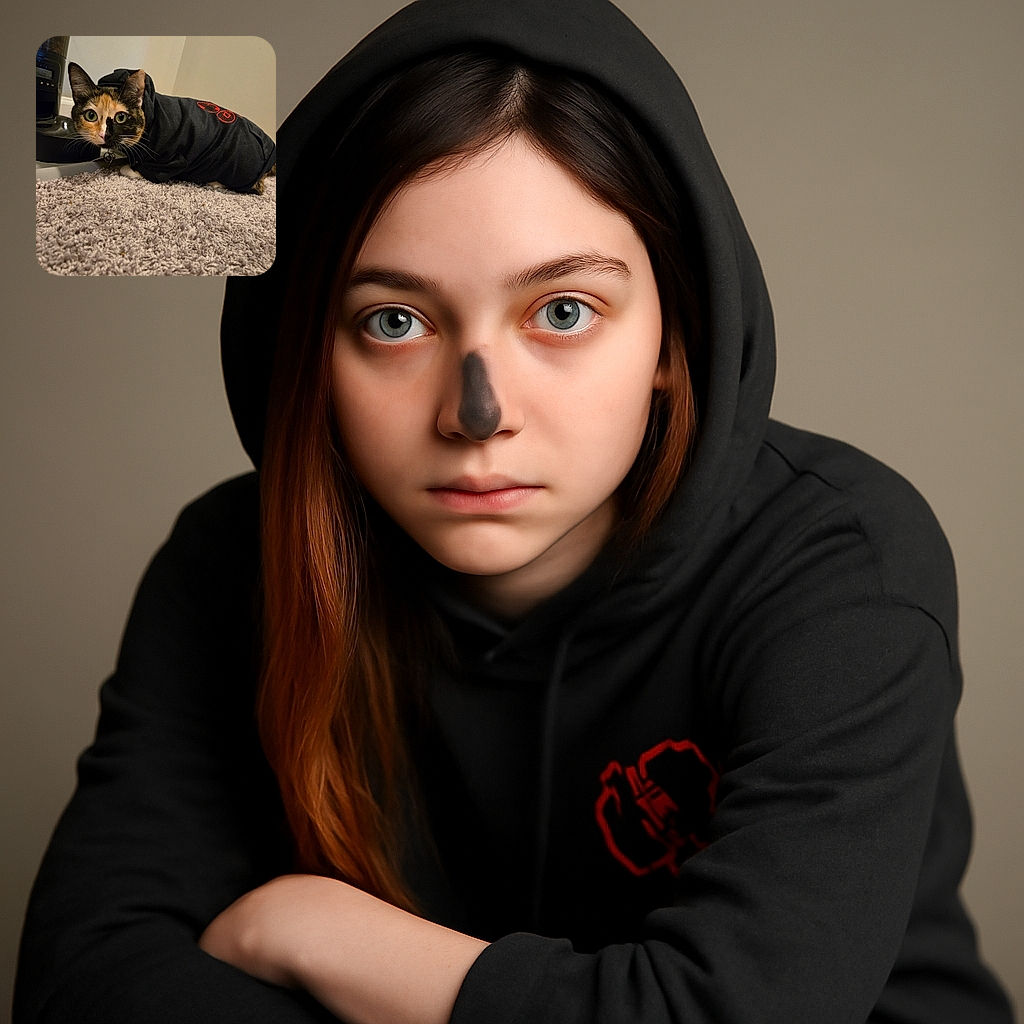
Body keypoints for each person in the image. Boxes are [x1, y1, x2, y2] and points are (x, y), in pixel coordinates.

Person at [14, 1, 1015, 1022]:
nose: (477, 414)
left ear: (677, 338)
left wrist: (316, 931)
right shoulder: (230, 564)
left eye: (563, 312)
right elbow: (85, 978)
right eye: (393, 321)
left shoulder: (842, 567)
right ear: (308, 350)